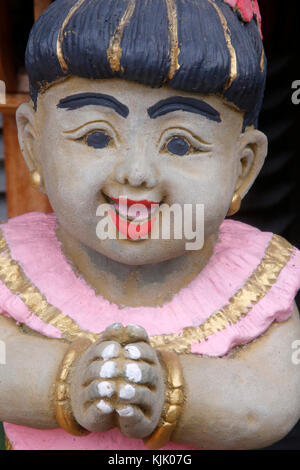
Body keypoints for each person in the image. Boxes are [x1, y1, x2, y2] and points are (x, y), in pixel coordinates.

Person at [0, 0, 300, 450]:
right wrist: (68, 384)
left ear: (243, 168)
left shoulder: (254, 284)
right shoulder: (17, 269)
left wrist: (171, 398)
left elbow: (273, 396)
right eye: (97, 136)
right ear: (33, 144)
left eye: (180, 144)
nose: (137, 172)